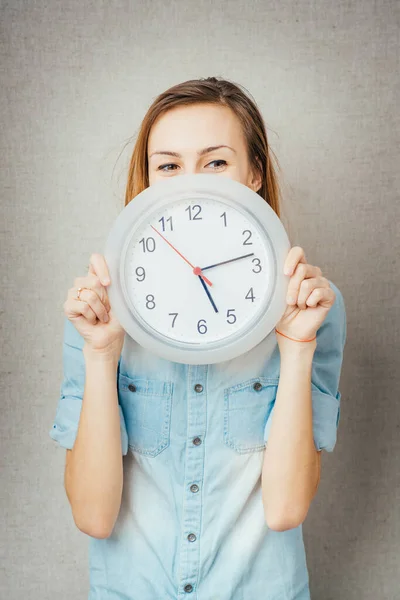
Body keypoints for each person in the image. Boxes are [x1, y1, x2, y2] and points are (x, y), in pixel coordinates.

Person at [49, 76, 347, 599]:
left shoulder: (313, 308)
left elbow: (285, 510)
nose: (192, 182)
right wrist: (101, 356)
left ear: (253, 173)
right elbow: (94, 516)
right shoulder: (99, 310)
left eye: (215, 162)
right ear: (147, 183)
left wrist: (297, 352)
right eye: (168, 166)